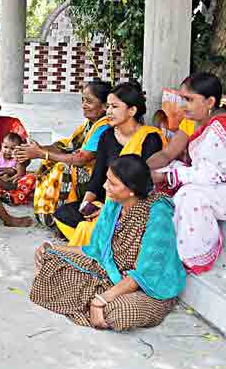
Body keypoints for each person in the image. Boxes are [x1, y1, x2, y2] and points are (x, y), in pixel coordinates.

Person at [30, 155, 186, 331]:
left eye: (112, 183)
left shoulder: (158, 214)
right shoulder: (115, 202)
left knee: (120, 312)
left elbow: (145, 274)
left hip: (146, 287)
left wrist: (101, 300)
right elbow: (95, 250)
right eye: (107, 180)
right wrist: (52, 248)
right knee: (49, 258)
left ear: (131, 190)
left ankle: (94, 301)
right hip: (110, 274)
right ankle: (92, 299)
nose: (105, 186)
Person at [152, 73, 226, 274]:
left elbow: (208, 176)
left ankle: (193, 256)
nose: (182, 105)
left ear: (210, 101)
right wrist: (139, 168)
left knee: (189, 194)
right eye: (182, 98)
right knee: (172, 168)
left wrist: (165, 178)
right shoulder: (194, 119)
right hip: (219, 183)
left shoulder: (222, 126)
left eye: (189, 99)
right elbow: (167, 154)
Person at [52, 81, 165, 246]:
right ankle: (105, 236)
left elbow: (144, 186)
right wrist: (86, 204)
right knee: (63, 213)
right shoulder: (107, 136)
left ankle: (107, 237)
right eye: (108, 106)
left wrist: (108, 212)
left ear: (132, 110)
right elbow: (98, 177)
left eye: (114, 107)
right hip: (107, 201)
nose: (108, 111)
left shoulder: (150, 138)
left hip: (133, 207)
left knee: (98, 227)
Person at [17, 80, 112, 226]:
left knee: (62, 168)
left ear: (105, 106)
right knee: (49, 161)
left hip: (99, 178)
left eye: (89, 102)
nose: (83, 106)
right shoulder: (89, 125)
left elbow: (81, 159)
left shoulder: (103, 127)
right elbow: (67, 147)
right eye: (82, 100)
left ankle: (56, 214)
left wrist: (42, 153)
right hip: (88, 169)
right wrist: (39, 149)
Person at [0, 132, 36, 205]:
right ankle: (6, 195)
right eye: (5, 147)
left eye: (12, 149)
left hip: (12, 183)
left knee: (30, 178)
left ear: (18, 149)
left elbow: (20, 175)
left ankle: (12, 197)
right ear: (1, 145)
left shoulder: (18, 158)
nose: (8, 151)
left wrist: (8, 180)